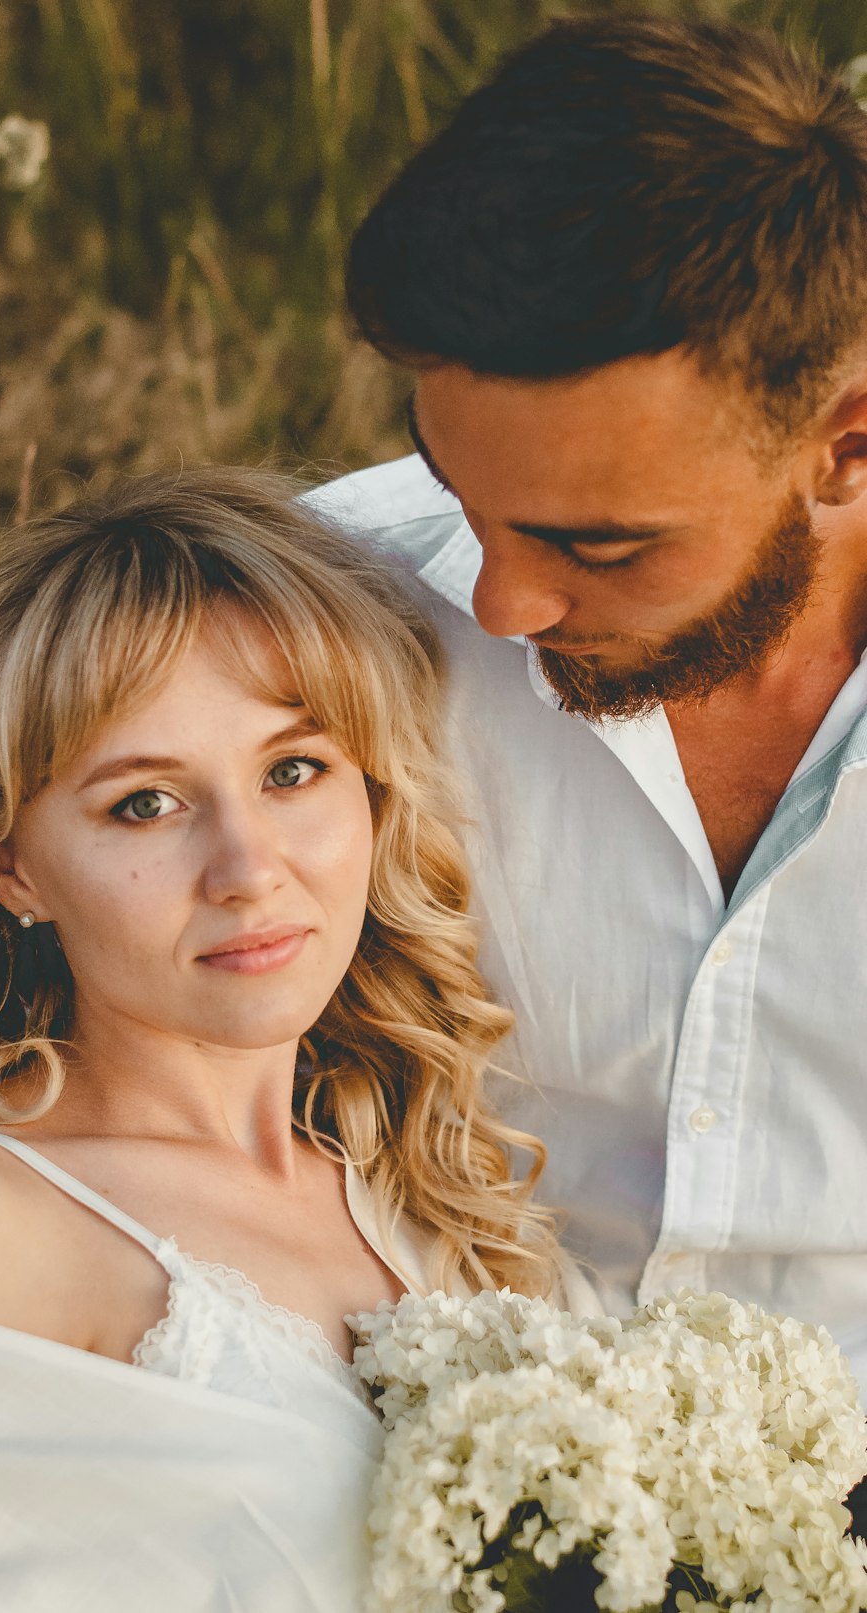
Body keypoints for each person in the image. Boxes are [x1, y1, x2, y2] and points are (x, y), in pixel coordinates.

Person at [0, 468, 570, 1613]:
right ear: (12, 864)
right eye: (145, 802)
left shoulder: (435, 1195)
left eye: (293, 770)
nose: (250, 868)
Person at [307, 15, 867, 1409]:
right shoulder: (320, 620)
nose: (498, 605)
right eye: (456, 487)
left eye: (600, 547)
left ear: (846, 450)